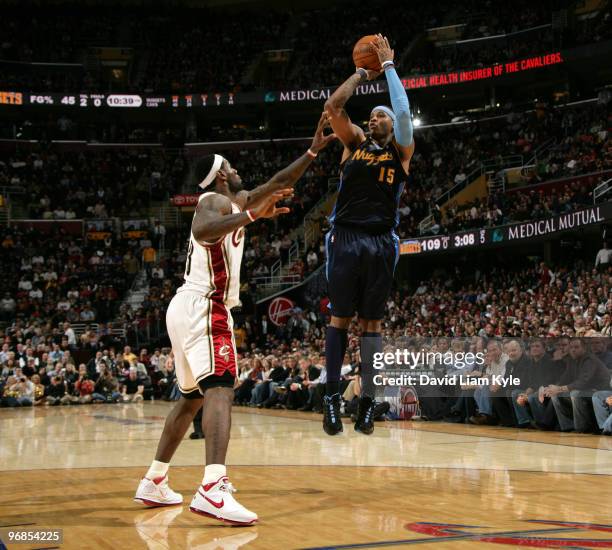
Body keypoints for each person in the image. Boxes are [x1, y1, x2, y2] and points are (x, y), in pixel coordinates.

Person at [134, 114, 336, 525]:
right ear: (221, 174)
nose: (239, 170)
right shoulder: (213, 202)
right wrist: (250, 217)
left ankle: (155, 480)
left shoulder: (235, 201)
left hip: (189, 305)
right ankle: (212, 487)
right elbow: (207, 231)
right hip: (206, 304)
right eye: (232, 166)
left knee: (192, 397)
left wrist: (313, 151)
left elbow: (276, 181)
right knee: (221, 387)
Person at [322, 34, 415, 436]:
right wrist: (361, 72)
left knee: (372, 325)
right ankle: (330, 398)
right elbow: (333, 107)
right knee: (340, 318)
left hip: (381, 241)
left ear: (392, 126)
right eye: (373, 115)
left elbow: (405, 113)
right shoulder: (354, 143)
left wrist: (390, 67)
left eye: (382, 115)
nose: (376, 117)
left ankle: (367, 400)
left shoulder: (401, 151)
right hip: (345, 237)